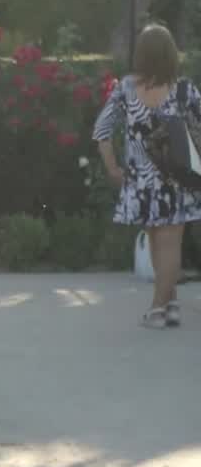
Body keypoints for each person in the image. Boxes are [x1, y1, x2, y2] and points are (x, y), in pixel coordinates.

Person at [94, 23, 201, 329]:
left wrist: (113, 167)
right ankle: (168, 305)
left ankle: (160, 308)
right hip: (177, 181)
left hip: (141, 183)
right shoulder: (184, 89)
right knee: (169, 245)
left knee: (156, 242)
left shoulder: (125, 88)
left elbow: (102, 132)